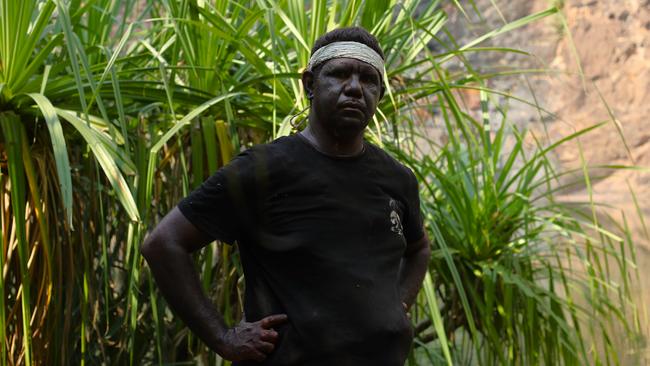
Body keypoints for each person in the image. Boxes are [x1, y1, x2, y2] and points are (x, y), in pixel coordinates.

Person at [141, 26, 432, 366]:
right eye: (339, 74)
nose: (354, 88)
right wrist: (223, 338)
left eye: (368, 79)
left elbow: (419, 248)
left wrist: (396, 306)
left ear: (379, 93)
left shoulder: (397, 178)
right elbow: (163, 244)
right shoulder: (263, 169)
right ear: (309, 84)